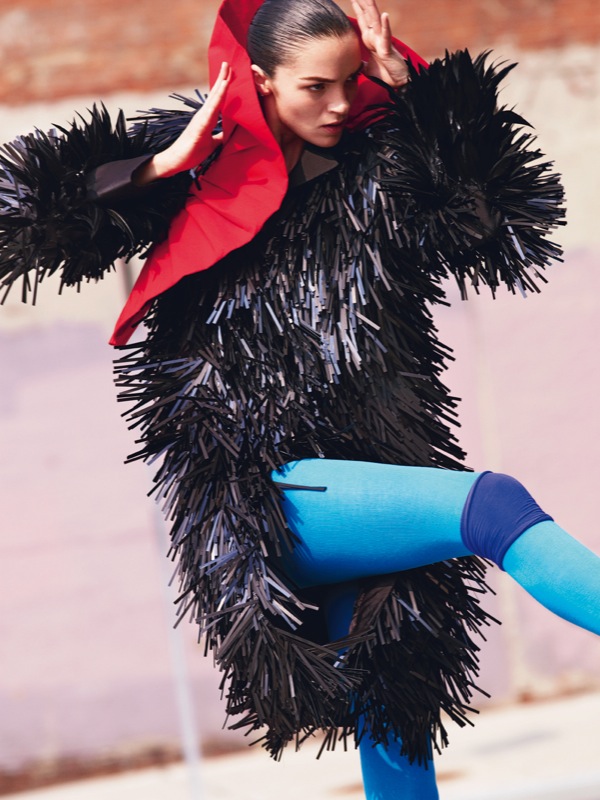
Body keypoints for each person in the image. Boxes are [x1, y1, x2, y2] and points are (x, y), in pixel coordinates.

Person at [1, 0, 598, 797]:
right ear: (261, 79)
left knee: (398, 738)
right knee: (492, 505)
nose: (341, 104)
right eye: (316, 87)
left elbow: (501, 231)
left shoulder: (382, 167)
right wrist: (157, 168)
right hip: (263, 497)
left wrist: (414, 95)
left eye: (351, 81)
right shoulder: (196, 165)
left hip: (376, 481)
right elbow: (19, 219)